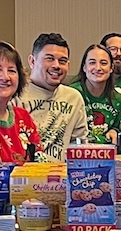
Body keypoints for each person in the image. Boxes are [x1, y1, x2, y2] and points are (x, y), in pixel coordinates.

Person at [16, 33, 88, 161]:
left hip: (62, 176)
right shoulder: (15, 95)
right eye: (49, 58)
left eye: (62, 61)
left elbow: (80, 146)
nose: (56, 65)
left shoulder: (74, 98)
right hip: (25, 174)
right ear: (32, 61)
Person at [69, 44, 120, 143]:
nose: (98, 68)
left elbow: (116, 127)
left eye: (104, 63)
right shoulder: (72, 95)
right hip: (75, 153)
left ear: (111, 68)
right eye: (92, 63)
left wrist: (114, 131)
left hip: (106, 154)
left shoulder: (118, 99)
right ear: (84, 67)